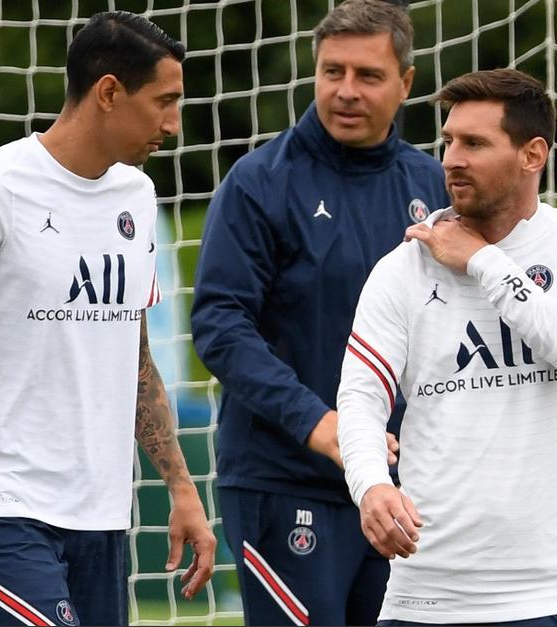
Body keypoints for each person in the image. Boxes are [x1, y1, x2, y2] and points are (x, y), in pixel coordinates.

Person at [0, 11, 216, 626]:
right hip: (0, 503)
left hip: (100, 510)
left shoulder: (138, 198)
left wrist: (181, 488)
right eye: (164, 102)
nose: (174, 125)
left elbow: (137, 356)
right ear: (107, 93)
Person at [337, 67, 557, 626]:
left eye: (474, 143)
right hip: (425, 597)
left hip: (556, 593)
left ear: (532, 154)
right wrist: (372, 484)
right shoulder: (401, 268)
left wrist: (480, 260)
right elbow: (360, 397)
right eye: (448, 141)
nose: (451, 159)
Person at [190, 1, 449, 624]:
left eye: (368, 75)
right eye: (333, 72)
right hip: (288, 479)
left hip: (402, 492)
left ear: (406, 84)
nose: (346, 91)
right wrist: (321, 426)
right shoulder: (259, 182)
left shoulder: (435, 187)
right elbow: (220, 326)